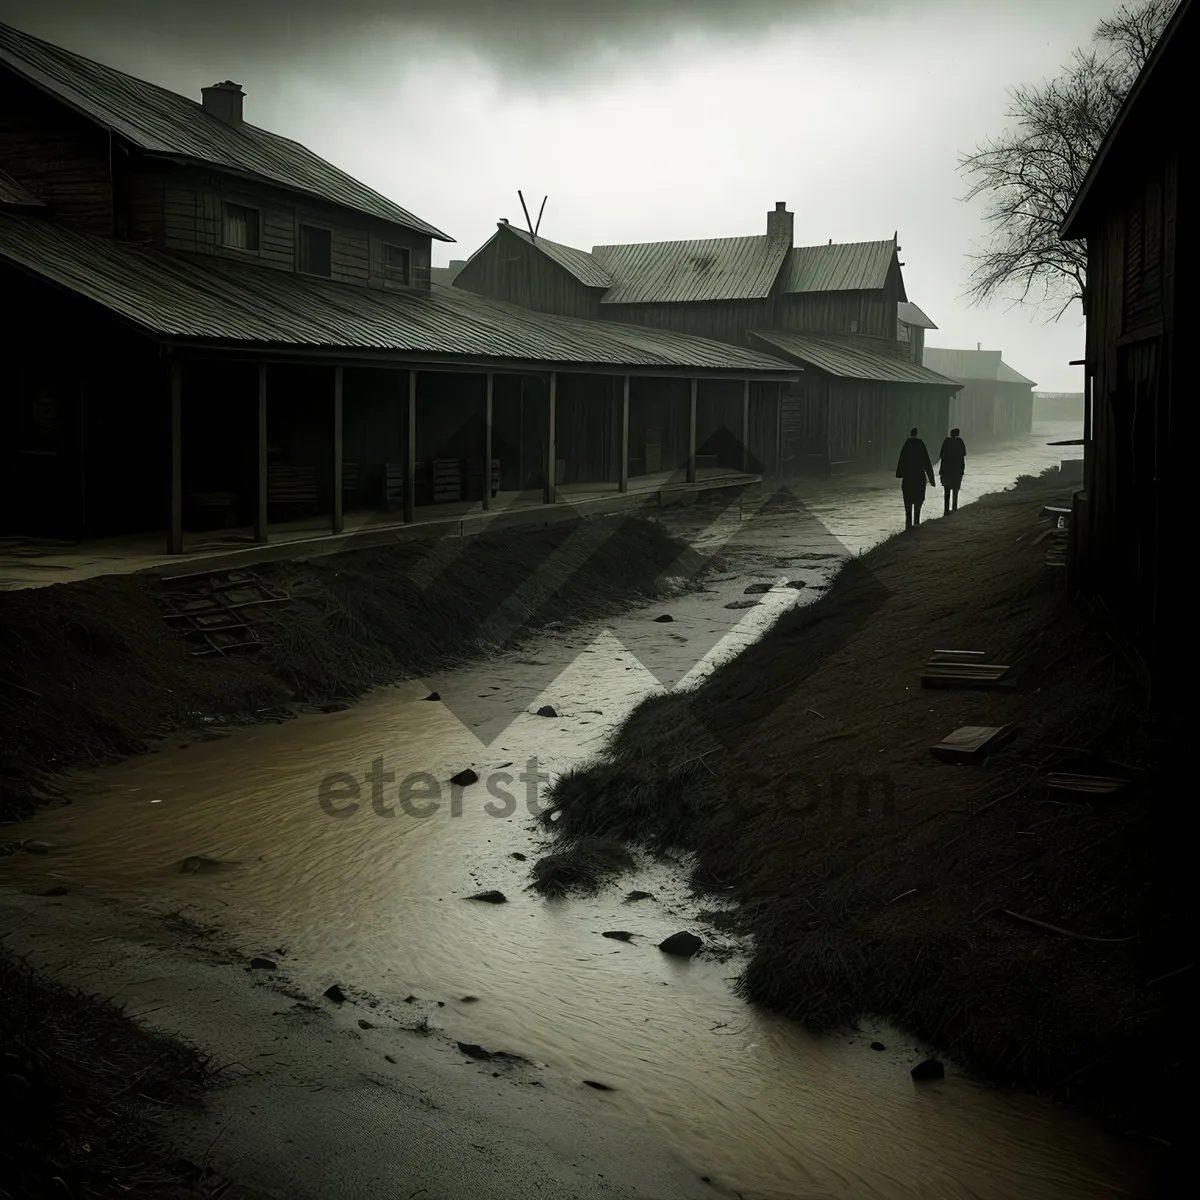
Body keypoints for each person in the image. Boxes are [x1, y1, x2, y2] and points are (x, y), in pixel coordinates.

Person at [895, 427, 935, 529]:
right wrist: (931, 479)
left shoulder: (906, 445)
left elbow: (901, 461)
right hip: (919, 477)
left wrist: (900, 474)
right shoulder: (920, 445)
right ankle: (917, 522)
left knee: (907, 502)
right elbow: (927, 462)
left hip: (908, 477)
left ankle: (908, 525)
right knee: (918, 501)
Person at [938, 428, 967, 515]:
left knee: (946, 491)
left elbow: (942, 455)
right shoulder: (960, 442)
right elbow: (964, 454)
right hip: (957, 470)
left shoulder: (946, 442)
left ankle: (946, 510)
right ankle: (954, 508)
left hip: (946, 470)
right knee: (955, 490)